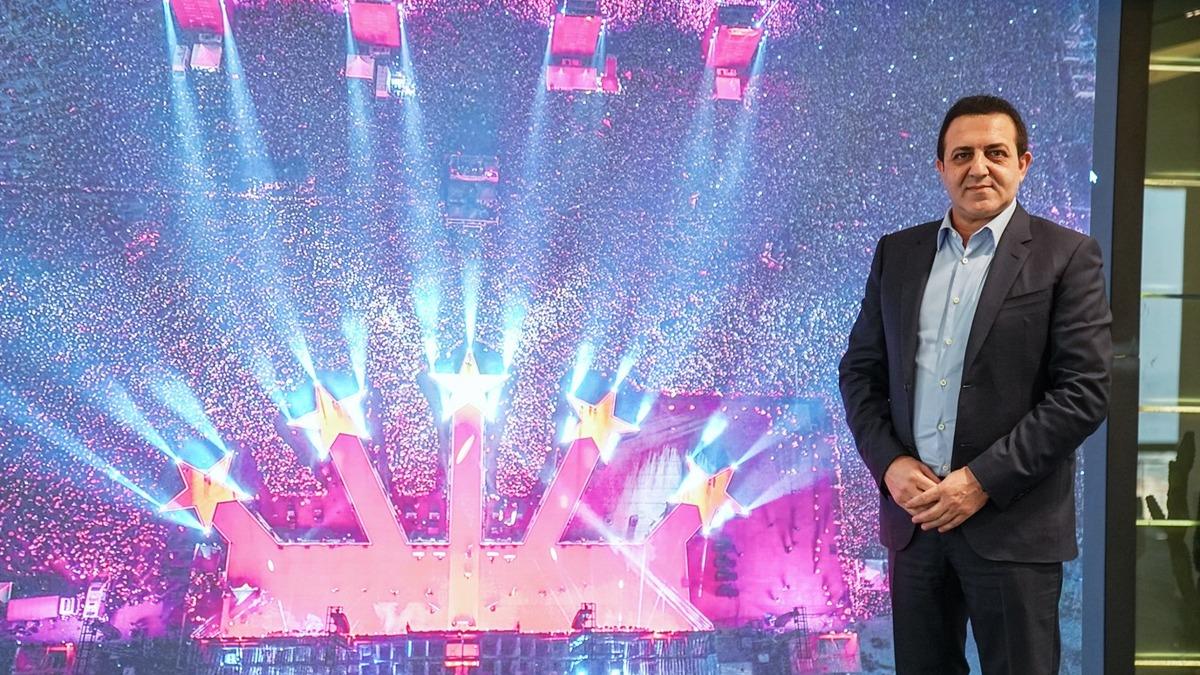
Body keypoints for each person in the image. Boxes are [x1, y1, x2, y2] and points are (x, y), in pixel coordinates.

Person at [838, 94, 1112, 673]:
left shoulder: (1067, 256)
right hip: (916, 525)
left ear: (1023, 163)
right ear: (941, 167)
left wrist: (981, 480)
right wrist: (889, 464)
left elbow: (1083, 391)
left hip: (1013, 528)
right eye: (962, 155)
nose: (978, 168)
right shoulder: (897, 253)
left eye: (996, 153)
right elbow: (860, 372)